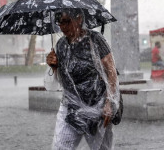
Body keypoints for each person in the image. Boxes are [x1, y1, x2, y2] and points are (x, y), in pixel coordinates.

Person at [46, 9, 120, 150]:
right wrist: (53, 66)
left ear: (79, 19)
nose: (63, 27)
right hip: (71, 108)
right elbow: (63, 79)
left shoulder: (95, 40)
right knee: (60, 147)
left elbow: (111, 71)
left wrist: (109, 103)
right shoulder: (61, 45)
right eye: (59, 23)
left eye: (67, 21)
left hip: (97, 107)